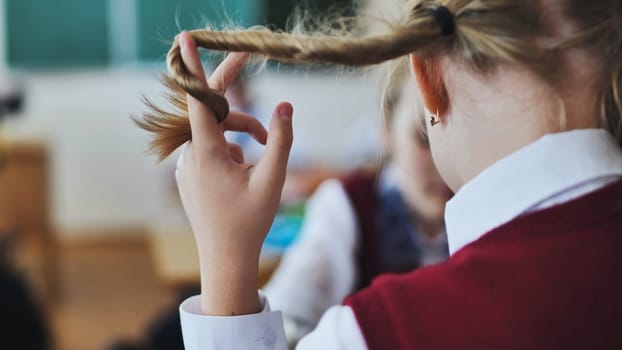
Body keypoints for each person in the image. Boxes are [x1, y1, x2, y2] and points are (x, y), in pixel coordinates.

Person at [138, 0, 622, 348]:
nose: (432, 167)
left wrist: (225, 257)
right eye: (417, 142)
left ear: (428, 80)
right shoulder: (350, 209)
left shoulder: (382, 331)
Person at [264, 76, 451, 345]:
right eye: (424, 137)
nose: (443, 163)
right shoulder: (347, 204)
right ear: (387, 129)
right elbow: (285, 317)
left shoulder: (492, 213)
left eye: (454, 134)